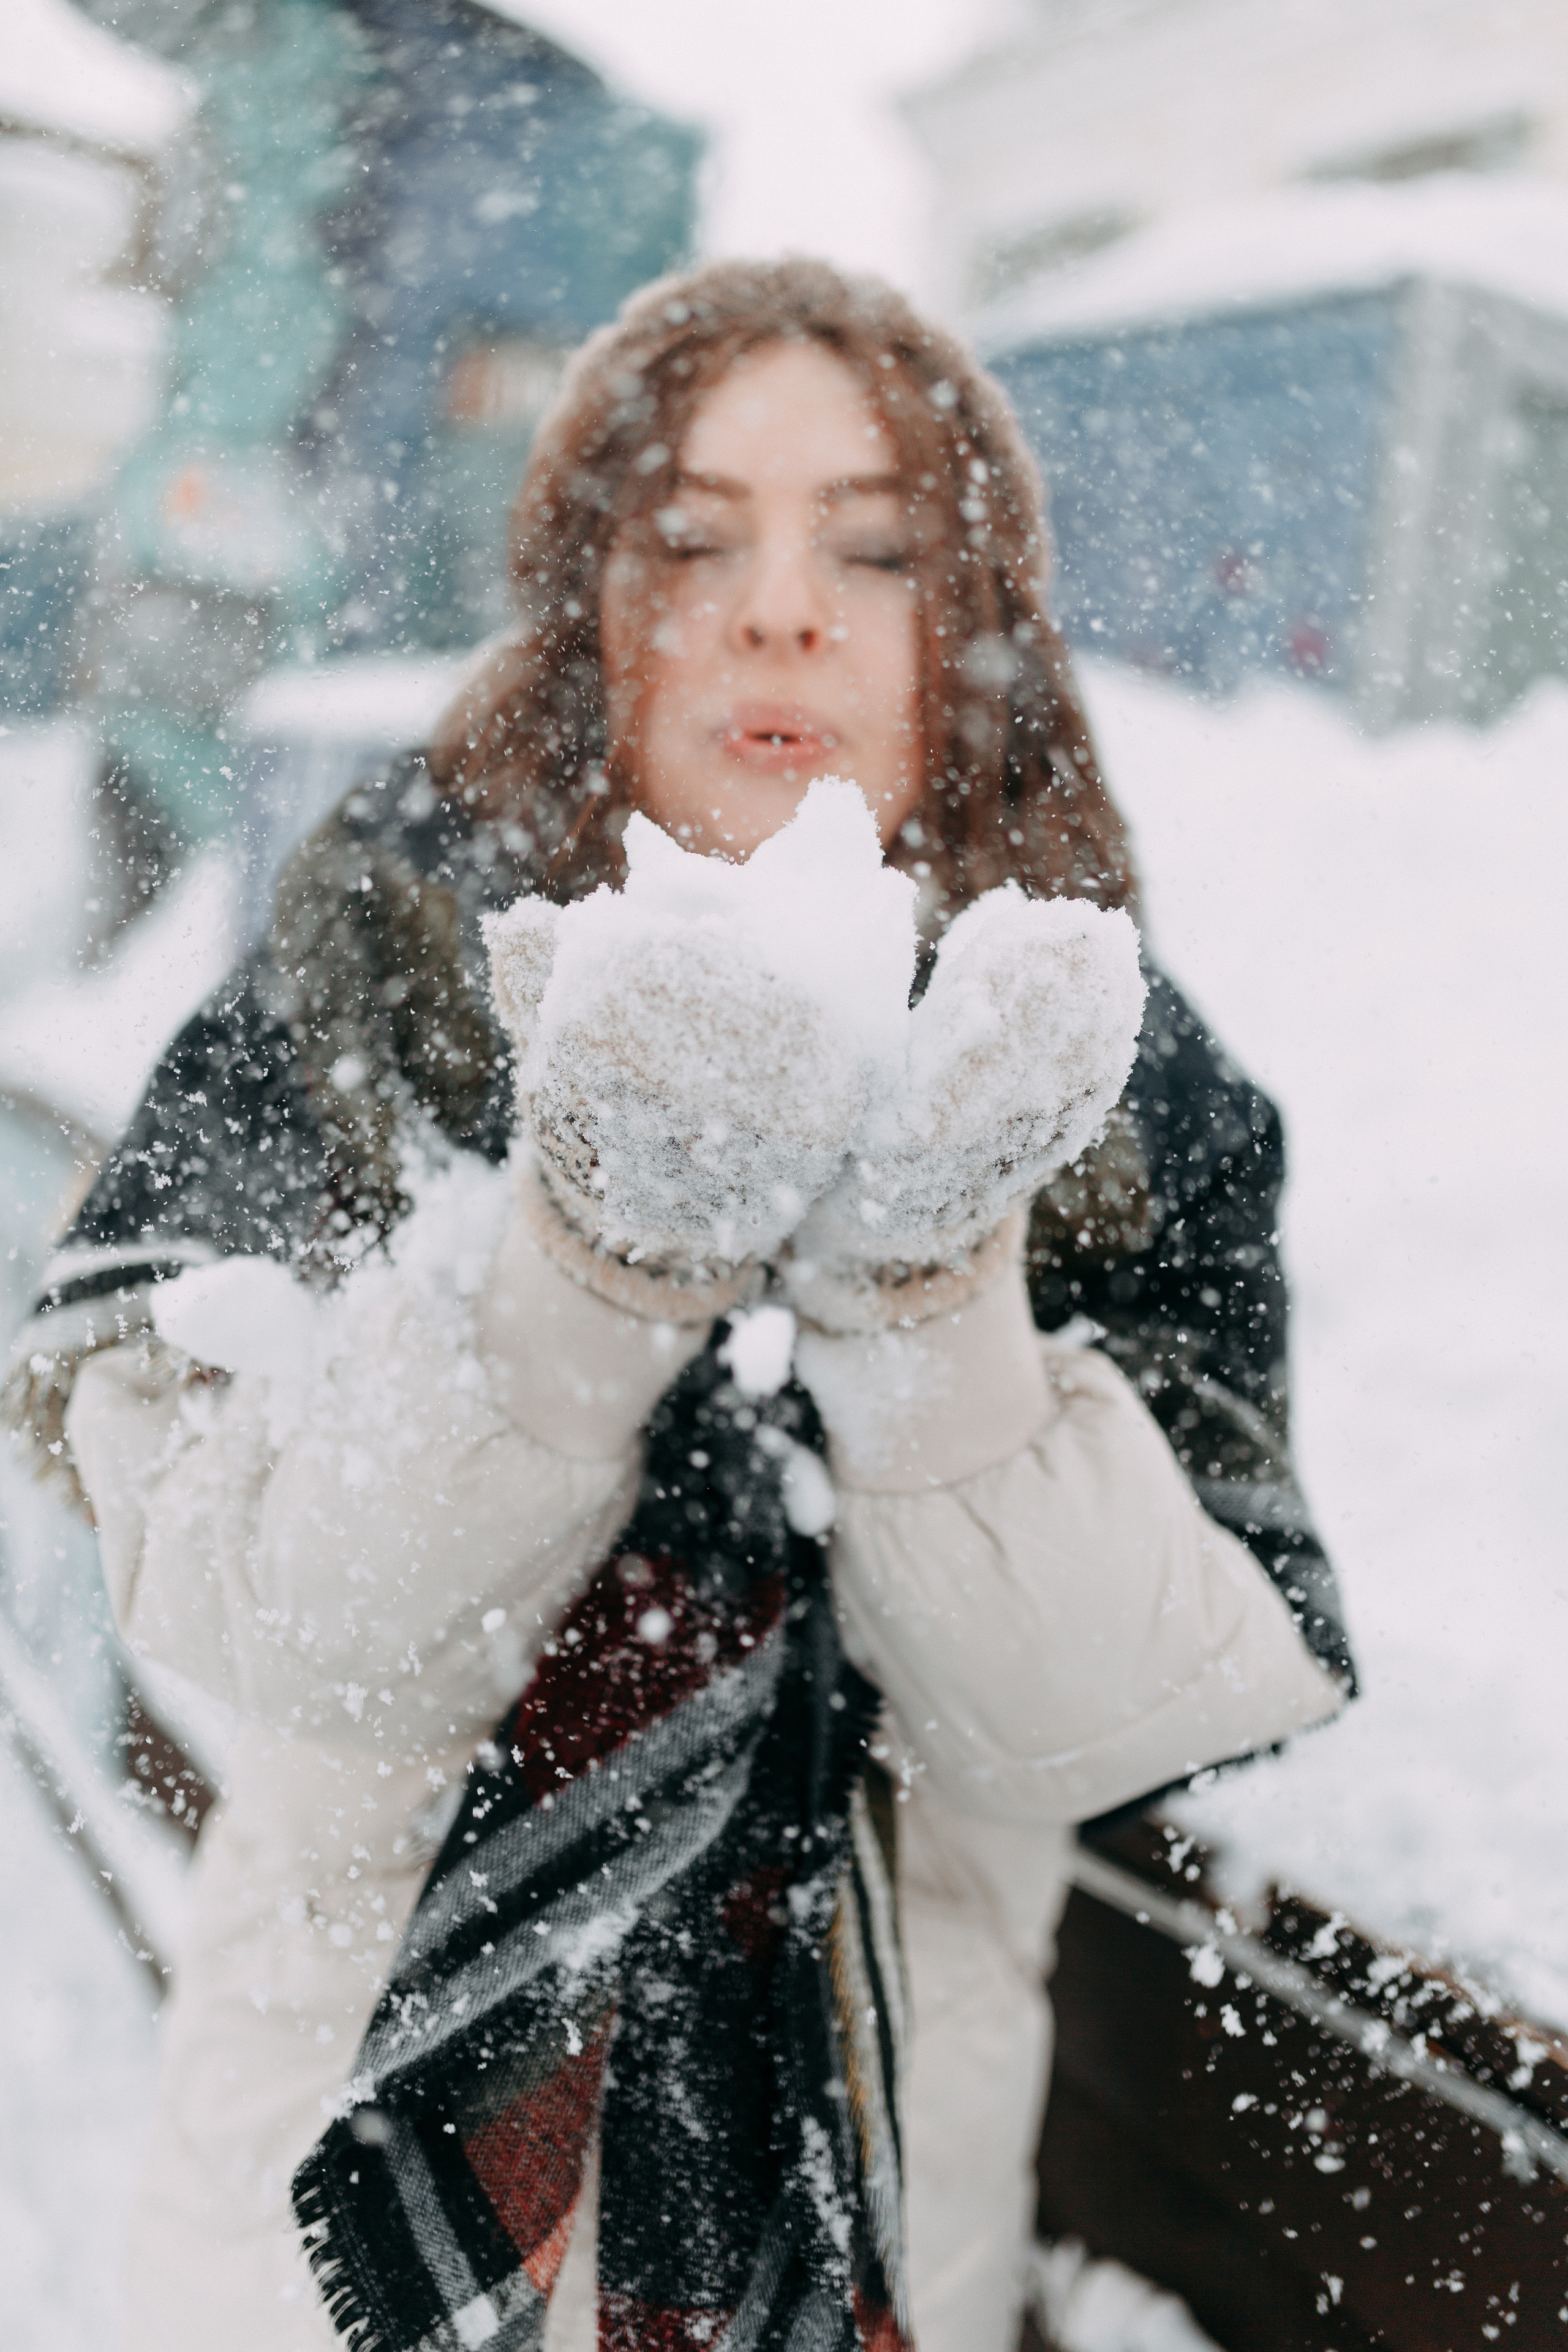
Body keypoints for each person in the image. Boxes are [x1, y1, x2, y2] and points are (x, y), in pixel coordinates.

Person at [6, 258, 1352, 2352]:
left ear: (972, 624)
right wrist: (591, 1276)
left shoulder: (1104, 1076)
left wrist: (921, 1305)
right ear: (590, 602)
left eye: (882, 547)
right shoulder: (375, 969)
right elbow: (249, 1593)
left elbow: (1120, 1699)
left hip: (886, 2251)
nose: (783, 606)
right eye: (695, 535)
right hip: (317, 2272)